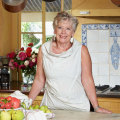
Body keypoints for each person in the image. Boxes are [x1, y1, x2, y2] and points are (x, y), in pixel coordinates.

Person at [28, 11, 112, 113]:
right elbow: (39, 80)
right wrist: (28, 103)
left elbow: (87, 79)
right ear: (54, 30)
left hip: (78, 109)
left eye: (68, 29)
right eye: (60, 28)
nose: (63, 32)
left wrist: (96, 107)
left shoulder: (81, 50)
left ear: (72, 33)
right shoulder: (44, 49)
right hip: (51, 109)